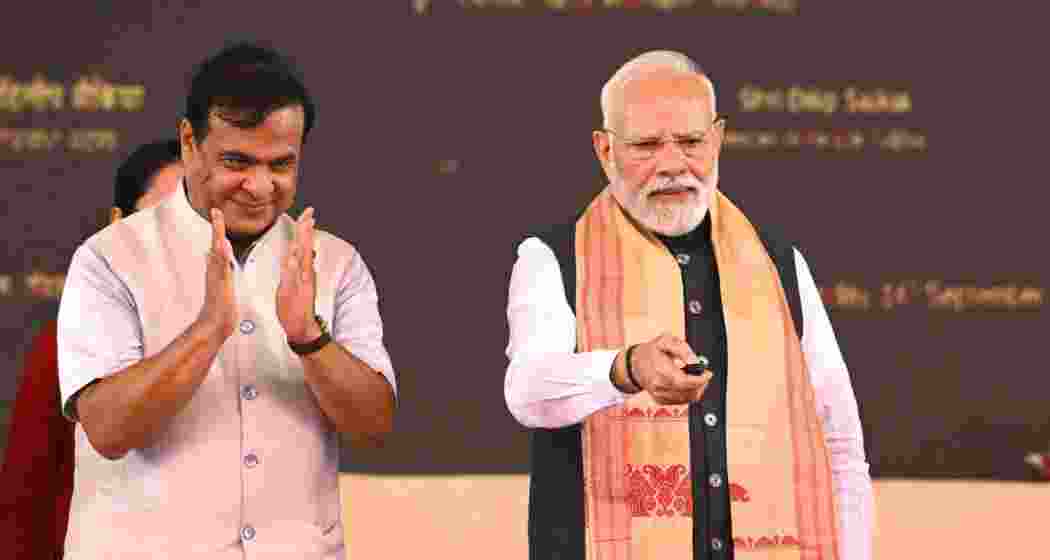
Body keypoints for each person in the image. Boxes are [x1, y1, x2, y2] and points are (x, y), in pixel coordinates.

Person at [504, 51, 873, 559]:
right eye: (646, 146)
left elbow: (841, 447)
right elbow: (527, 392)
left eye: (691, 142)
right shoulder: (552, 257)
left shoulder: (779, 263)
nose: (672, 165)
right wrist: (624, 368)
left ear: (717, 139)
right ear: (605, 150)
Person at [56, 43, 396, 559]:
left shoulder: (336, 263)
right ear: (190, 143)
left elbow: (374, 428)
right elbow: (107, 429)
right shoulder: (109, 260)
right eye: (237, 161)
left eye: (282, 164)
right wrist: (208, 331)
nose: (260, 186)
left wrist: (310, 338)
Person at [0, 139, 183, 560]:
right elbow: (27, 503)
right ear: (119, 223)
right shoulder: (67, 339)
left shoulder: (242, 336)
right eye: (161, 220)